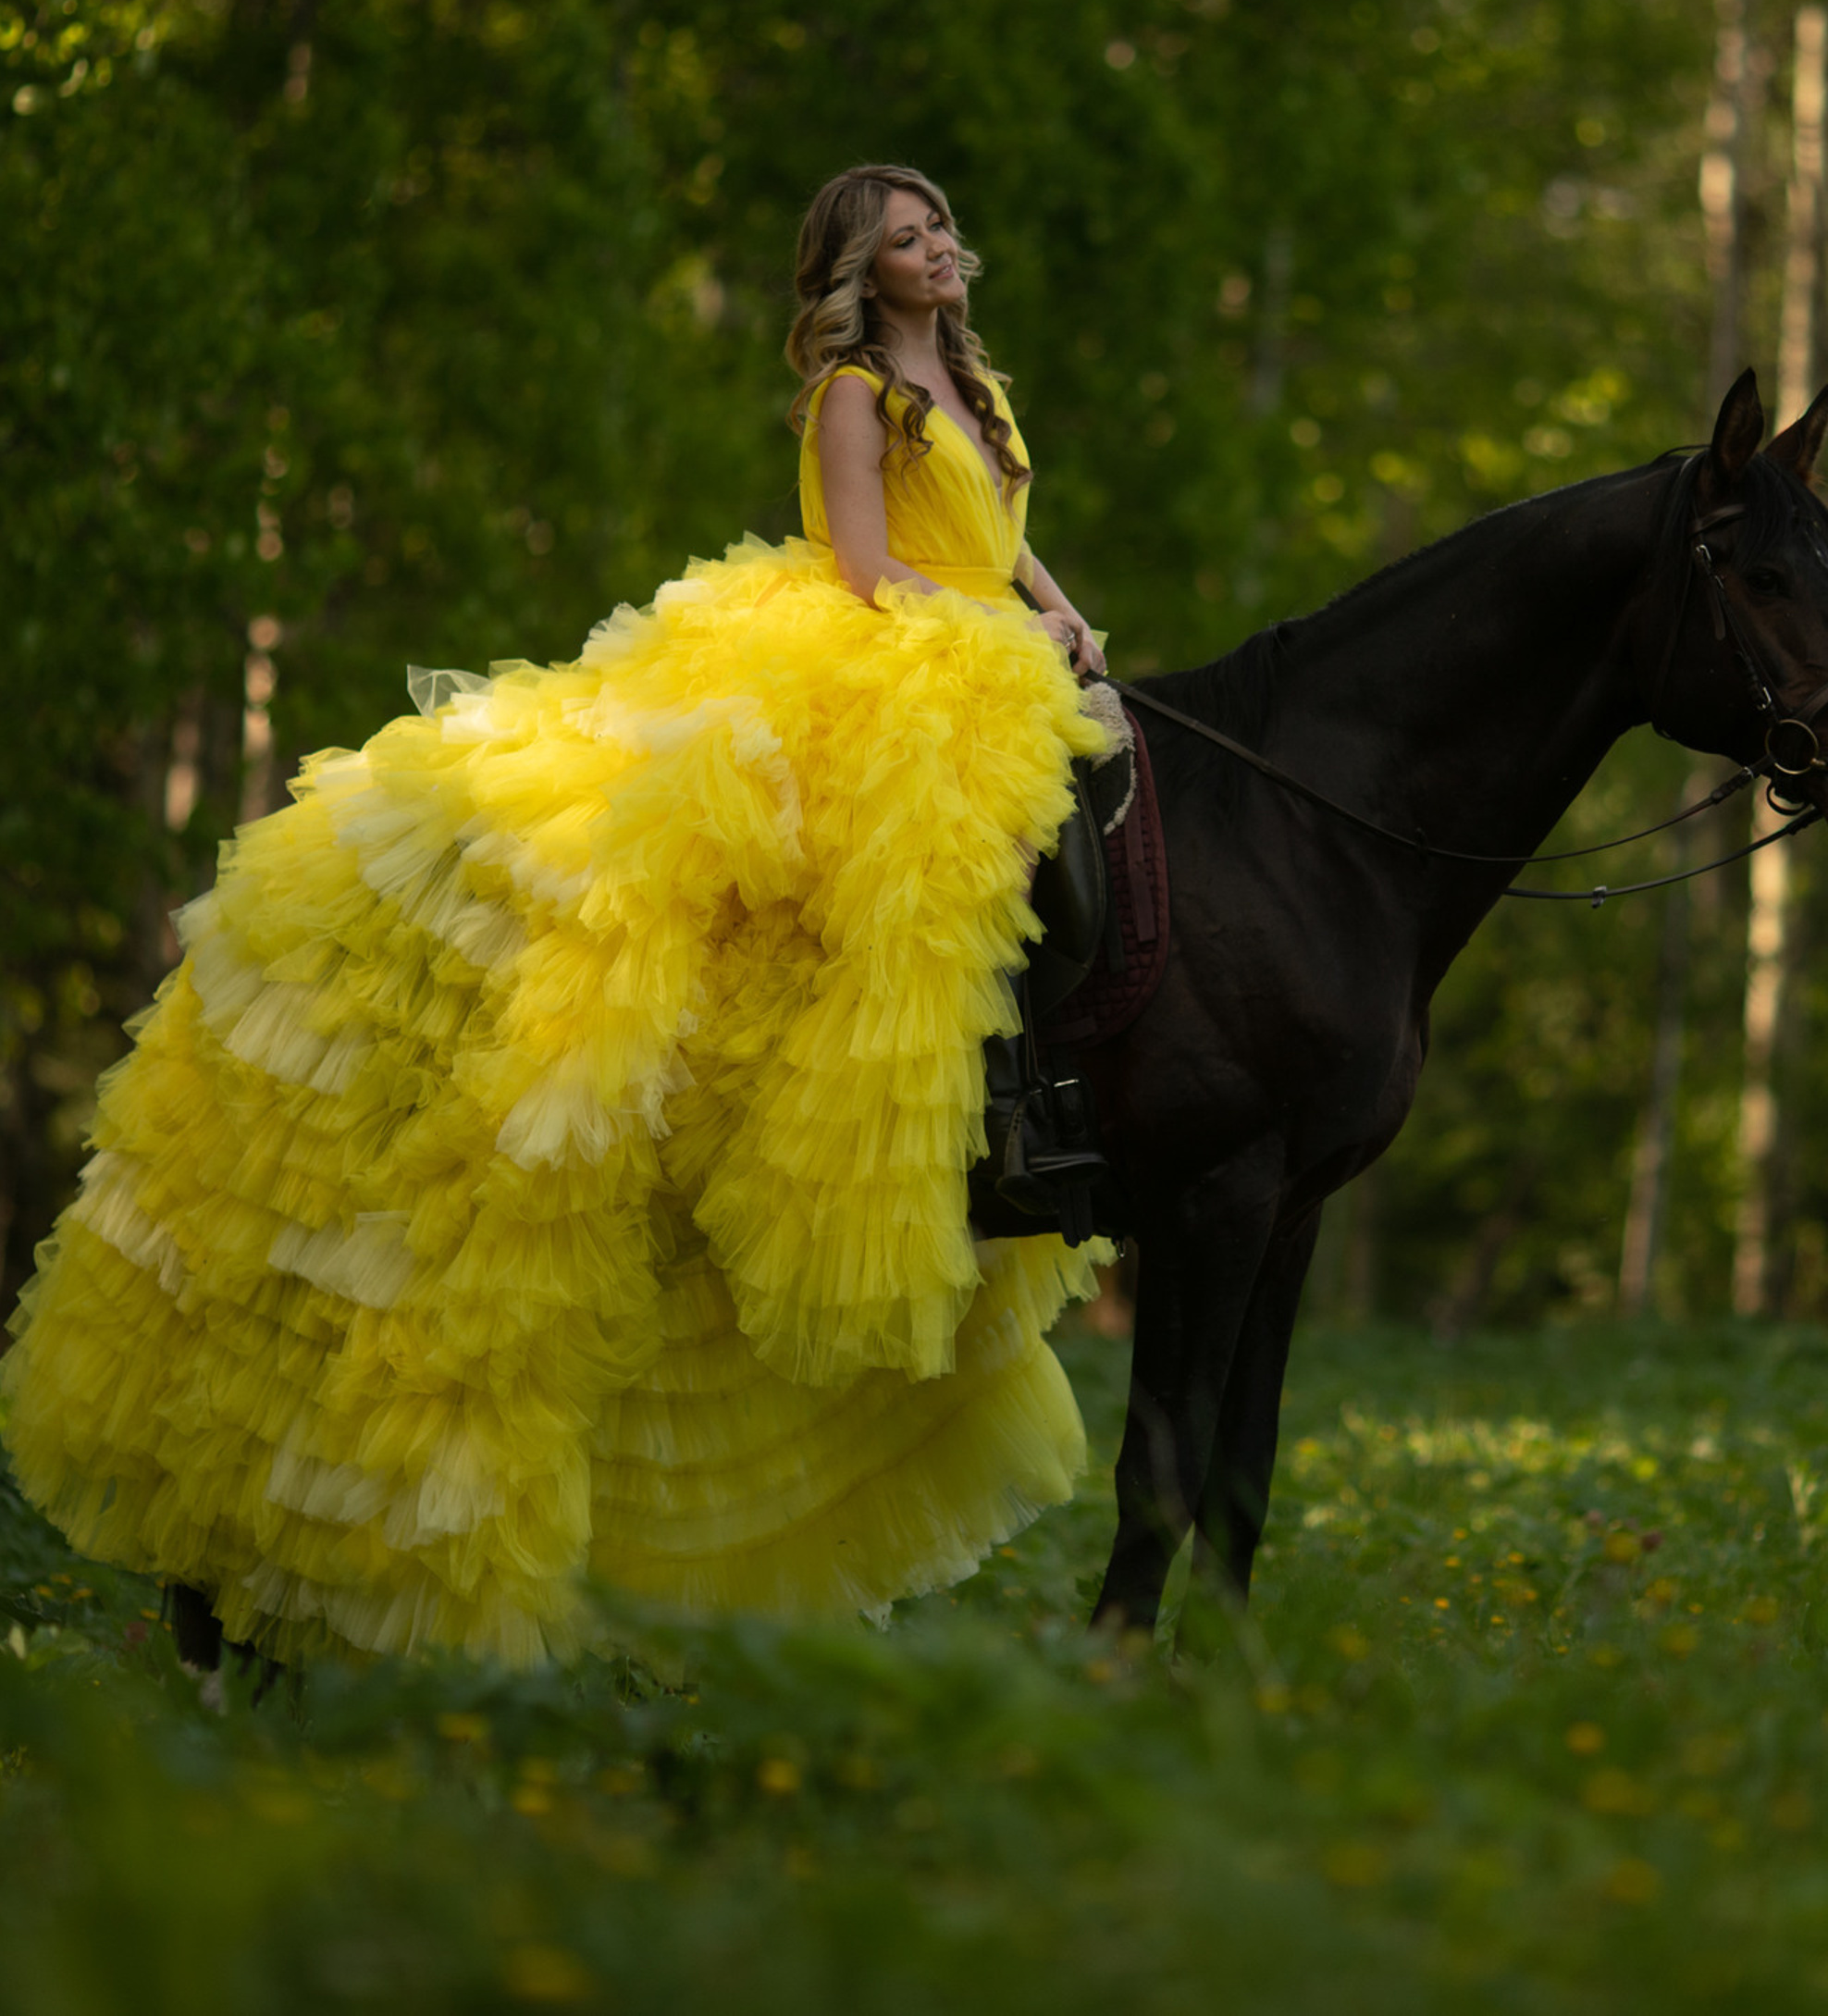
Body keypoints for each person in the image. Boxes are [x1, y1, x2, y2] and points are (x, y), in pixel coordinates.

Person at [1, 164, 1117, 1669]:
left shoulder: (970, 387)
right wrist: (998, 623)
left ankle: (1029, 1104)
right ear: (859, 272)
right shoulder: (856, 396)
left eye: (936, 229)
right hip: (891, 648)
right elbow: (868, 571)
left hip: (986, 635)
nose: (933, 250)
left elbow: (998, 529)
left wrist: (1055, 602)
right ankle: (868, 1099)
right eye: (902, 237)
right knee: (894, 861)